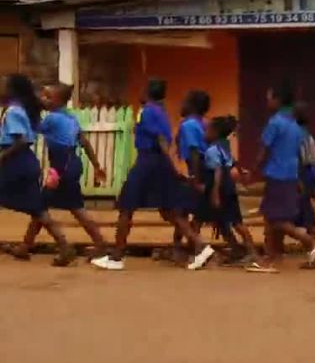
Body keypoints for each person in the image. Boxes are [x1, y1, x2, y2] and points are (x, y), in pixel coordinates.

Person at [92, 79, 215, 271]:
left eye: (142, 90)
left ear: (147, 92)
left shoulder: (146, 111)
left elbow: (160, 139)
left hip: (149, 161)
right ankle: (200, 246)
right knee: (169, 210)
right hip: (157, 162)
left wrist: (172, 165)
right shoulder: (160, 111)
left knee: (126, 205)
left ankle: (116, 256)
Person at [11, 83, 108, 261]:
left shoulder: (52, 119)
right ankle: (26, 245)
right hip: (71, 164)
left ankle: (96, 244)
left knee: (60, 207)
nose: (43, 99)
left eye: (47, 97)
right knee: (42, 206)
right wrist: (96, 165)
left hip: (62, 166)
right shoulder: (71, 118)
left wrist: (30, 108)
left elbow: (30, 131)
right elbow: (84, 142)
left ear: (59, 100)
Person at [244, 82, 315, 273]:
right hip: (289, 175)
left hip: (276, 175)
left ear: (278, 100)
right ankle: (272, 258)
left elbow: (263, 150)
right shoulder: (296, 126)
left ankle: (310, 241)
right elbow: (296, 155)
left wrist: (252, 172)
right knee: (271, 217)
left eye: (270, 97)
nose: (267, 100)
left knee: (277, 220)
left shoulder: (275, 123)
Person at [0, 75, 76, 266]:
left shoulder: (14, 111)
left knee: (38, 209)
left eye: (3, 85)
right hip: (23, 163)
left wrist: (1, 157)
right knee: (38, 209)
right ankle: (63, 246)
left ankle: (65, 247)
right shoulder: (18, 110)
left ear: (12, 90)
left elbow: (22, 140)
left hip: (16, 163)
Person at [203, 115, 257, 266]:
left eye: (207, 130)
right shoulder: (224, 146)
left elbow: (218, 172)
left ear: (215, 132)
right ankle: (236, 250)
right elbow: (233, 163)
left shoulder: (213, 150)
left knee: (236, 222)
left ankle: (252, 252)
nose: (204, 133)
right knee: (221, 222)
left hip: (222, 189)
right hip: (227, 188)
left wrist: (215, 193)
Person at [170, 89, 210, 265]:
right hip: (206, 168)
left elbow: (194, 152)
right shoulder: (205, 123)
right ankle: (183, 249)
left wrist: (194, 177)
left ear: (191, 106)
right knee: (192, 212)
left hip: (196, 169)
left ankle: (199, 247)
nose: (181, 105)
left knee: (179, 213)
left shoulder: (188, 125)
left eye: (184, 102)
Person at [293, 103, 315, 256]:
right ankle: (312, 238)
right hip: (310, 173)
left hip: (301, 173)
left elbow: (298, 159)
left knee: (299, 208)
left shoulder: (296, 135)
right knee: (305, 206)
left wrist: (298, 180)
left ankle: (313, 242)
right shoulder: (308, 135)